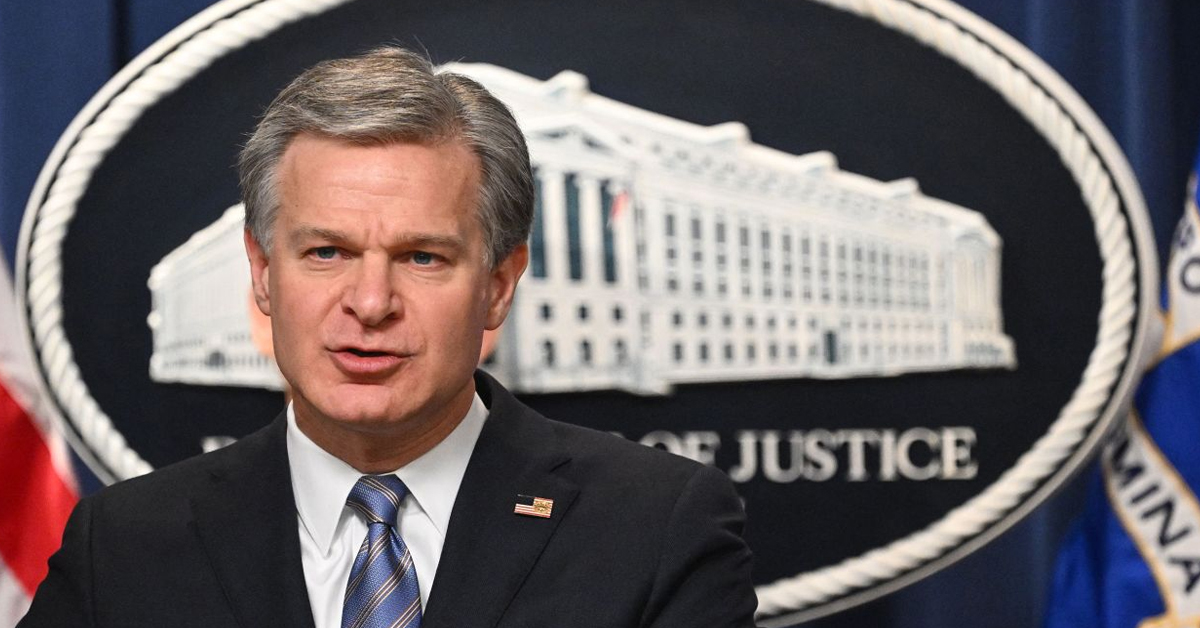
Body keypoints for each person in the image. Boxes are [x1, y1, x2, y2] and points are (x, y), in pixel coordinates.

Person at [20, 46, 757, 628]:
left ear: (498, 285)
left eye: (422, 257)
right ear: (264, 274)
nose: (371, 304)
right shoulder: (123, 544)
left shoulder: (657, 527)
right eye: (326, 252)